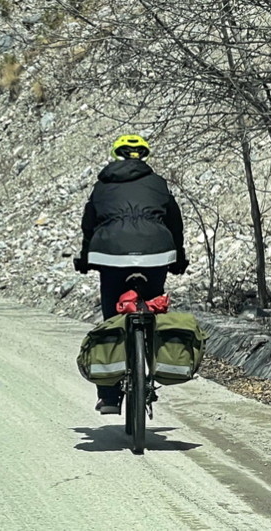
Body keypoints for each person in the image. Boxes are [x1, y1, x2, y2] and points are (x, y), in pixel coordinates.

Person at [73, 134, 187, 414]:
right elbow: (175, 222)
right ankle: (153, 358)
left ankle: (110, 397)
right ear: (144, 157)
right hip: (155, 253)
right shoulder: (158, 183)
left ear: (115, 156)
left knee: (113, 318)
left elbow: (89, 225)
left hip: (110, 255)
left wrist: (85, 258)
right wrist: (179, 257)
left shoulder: (102, 186)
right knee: (152, 307)